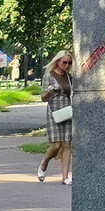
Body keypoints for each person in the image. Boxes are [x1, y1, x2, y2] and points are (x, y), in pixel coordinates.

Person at [37, 50, 73, 185]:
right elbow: (43, 98)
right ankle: (44, 162)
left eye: (69, 63)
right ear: (57, 61)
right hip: (54, 112)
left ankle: (65, 177)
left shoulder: (69, 77)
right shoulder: (49, 76)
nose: (67, 65)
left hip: (67, 111)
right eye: (64, 62)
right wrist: (51, 90)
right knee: (56, 145)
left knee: (67, 144)